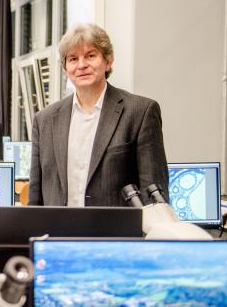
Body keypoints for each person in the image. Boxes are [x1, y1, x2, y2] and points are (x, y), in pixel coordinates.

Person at [28, 23, 169, 207]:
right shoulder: (44, 120)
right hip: (58, 234)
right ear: (65, 69)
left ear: (108, 61)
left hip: (116, 235)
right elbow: (35, 198)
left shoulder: (140, 112)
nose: (81, 65)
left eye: (90, 55)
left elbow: (153, 193)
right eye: (73, 59)